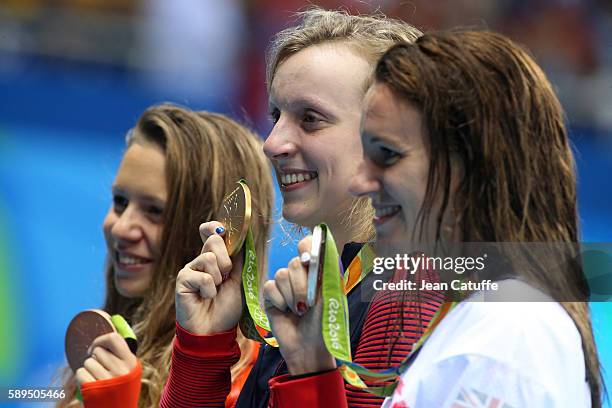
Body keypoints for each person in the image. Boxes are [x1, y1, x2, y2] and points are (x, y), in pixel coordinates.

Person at [262, 30, 604, 407]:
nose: (362, 180)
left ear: (465, 163)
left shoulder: (499, 349)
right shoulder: (476, 328)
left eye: (388, 153)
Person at [160, 8, 443, 408]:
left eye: (310, 119)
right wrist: (202, 351)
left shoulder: (414, 292)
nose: (272, 143)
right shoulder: (319, 293)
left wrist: (312, 374)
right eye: (277, 115)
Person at [57, 104, 274, 408]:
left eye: (155, 211)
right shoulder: (117, 345)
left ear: (219, 234)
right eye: (120, 201)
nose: (120, 227)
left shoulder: (248, 389)